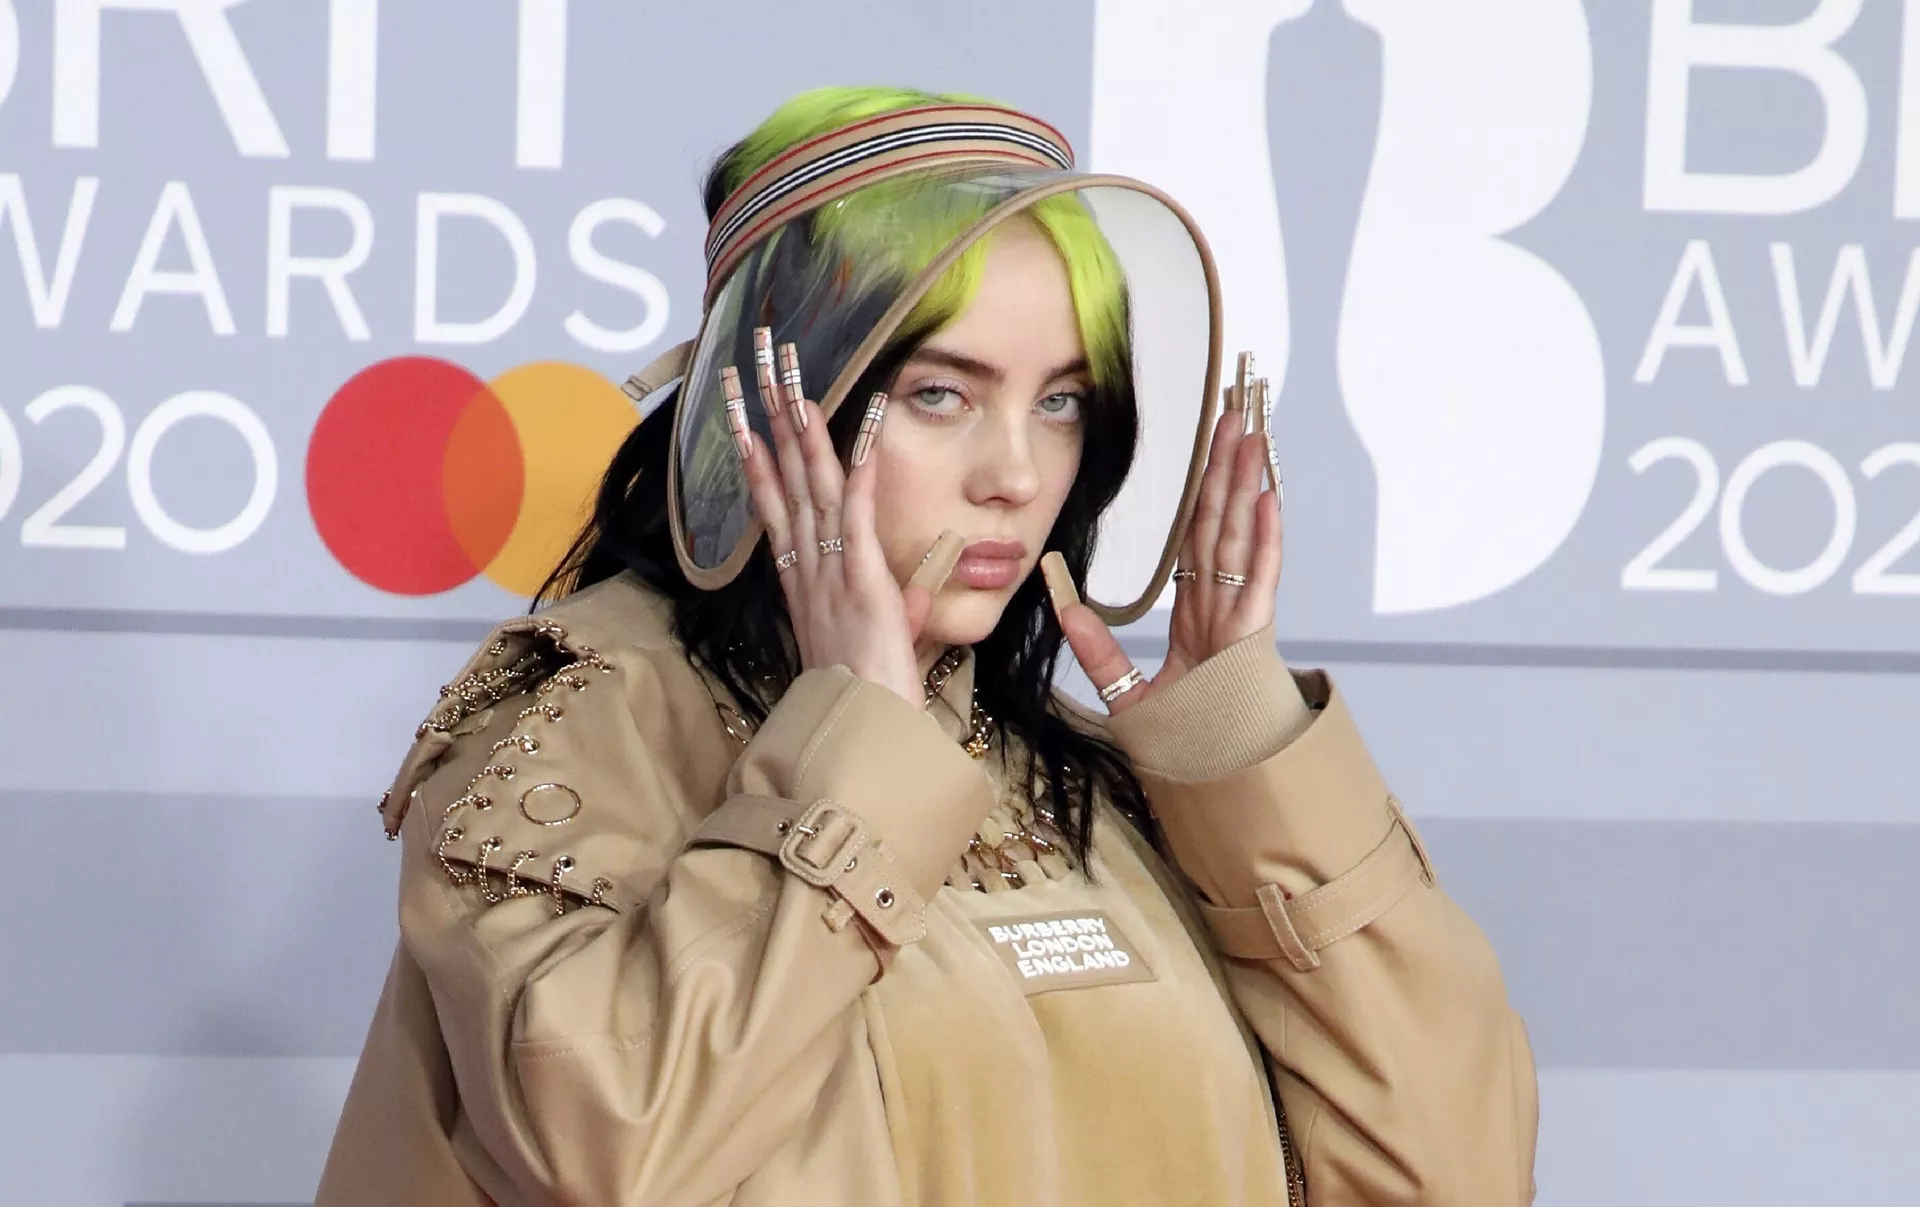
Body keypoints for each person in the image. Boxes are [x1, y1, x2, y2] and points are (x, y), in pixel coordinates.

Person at [317, 86, 1537, 1207]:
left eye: (1060, 401)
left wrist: (1243, 756)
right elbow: (616, 1148)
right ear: (782, 403)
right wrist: (856, 754)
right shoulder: (582, 715)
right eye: (941, 394)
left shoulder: (1086, 777)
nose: (1017, 474)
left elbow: (1457, 1172)